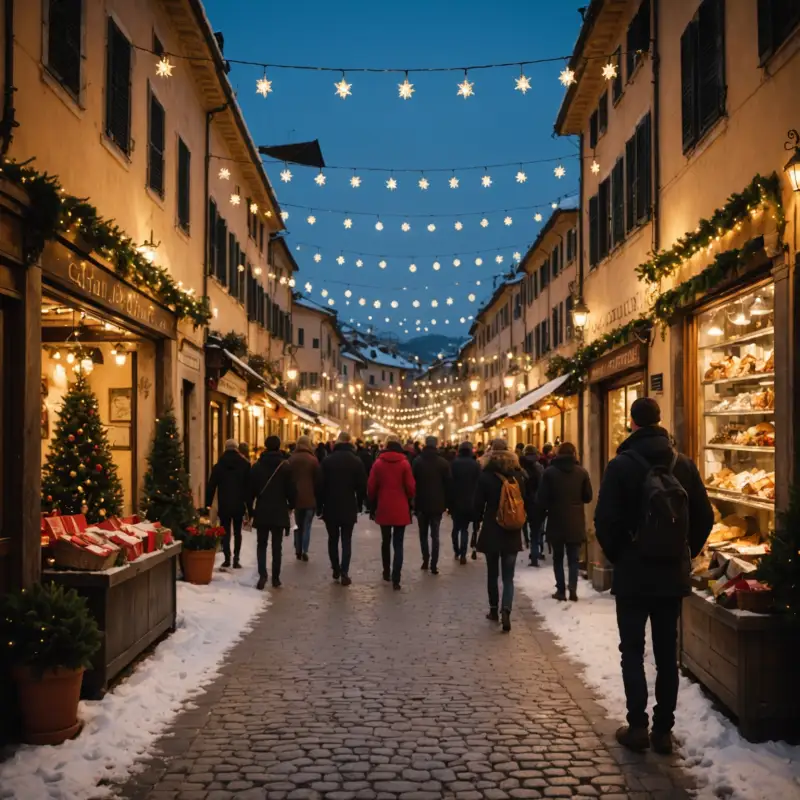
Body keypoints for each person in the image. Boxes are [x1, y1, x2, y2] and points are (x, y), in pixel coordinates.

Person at [595, 397, 713, 755]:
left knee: (632, 651)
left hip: (633, 574)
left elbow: (604, 520)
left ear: (632, 423)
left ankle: (637, 727)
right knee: (666, 654)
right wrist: (683, 553)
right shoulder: (683, 464)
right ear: (659, 421)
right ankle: (663, 731)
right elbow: (705, 517)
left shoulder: (620, 465)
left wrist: (621, 555)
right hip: (670, 575)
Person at [474, 438, 526, 632]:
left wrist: (477, 520)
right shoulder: (518, 476)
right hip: (512, 530)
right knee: (508, 576)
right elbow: (526, 500)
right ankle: (507, 609)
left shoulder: (485, 476)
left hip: (492, 529)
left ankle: (494, 609)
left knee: (492, 573)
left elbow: (478, 505)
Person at [535, 442, 592, 600]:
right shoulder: (582, 472)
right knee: (573, 558)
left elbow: (541, 498)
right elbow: (588, 496)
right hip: (576, 521)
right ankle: (572, 589)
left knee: (558, 558)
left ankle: (561, 590)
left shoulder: (549, 473)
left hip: (556, 520)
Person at [317, 431, 368, 586]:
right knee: (347, 540)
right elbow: (362, 485)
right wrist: (360, 503)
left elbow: (320, 486)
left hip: (331, 505)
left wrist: (320, 506)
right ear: (350, 442)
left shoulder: (327, 461)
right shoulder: (356, 461)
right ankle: (344, 571)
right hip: (348, 505)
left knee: (333, 539)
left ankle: (335, 568)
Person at [367, 434, 416, 590]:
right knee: (398, 543)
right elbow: (411, 487)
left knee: (385, 541)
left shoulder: (378, 463)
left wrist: (372, 502)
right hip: (400, 507)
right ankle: (396, 577)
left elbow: (371, 487)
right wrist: (409, 498)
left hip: (384, 506)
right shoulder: (404, 464)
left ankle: (386, 571)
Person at [248, 435, 296, 590]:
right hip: (279, 510)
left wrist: (250, 510)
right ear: (278, 446)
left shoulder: (257, 467)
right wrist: (291, 506)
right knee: (277, 546)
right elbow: (292, 490)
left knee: (261, 544)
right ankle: (276, 578)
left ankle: (262, 575)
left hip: (262, 509)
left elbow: (250, 491)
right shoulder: (285, 467)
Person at [205, 439, 250, 569]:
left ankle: (227, 558)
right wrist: (249, 506)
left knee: (225, 531)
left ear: (225, 448)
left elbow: (211, 485)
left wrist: (208, 503)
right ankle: (236, 559)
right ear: (237, 448)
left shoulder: (219, 465)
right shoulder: (245, 464)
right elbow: (248, 487)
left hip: (224, 502)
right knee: (237, 532)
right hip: (239, 503)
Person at [412, 435, 452, 575]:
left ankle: (425, 559)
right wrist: (447, 503)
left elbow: (412, 483)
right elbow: (448, 485)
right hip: (437, 504)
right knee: (435, 535)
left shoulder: (417, 461)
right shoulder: (443, 463)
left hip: (421, 503)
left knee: (423, 534)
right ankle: (434, 564)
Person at [288, 435, 321, 561]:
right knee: (307, 526)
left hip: (296, 498)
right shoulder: (313, 460)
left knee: (298, 526)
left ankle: (297, 549)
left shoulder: (291, 459)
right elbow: (318, 481)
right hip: (310, 499)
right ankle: (304, 550)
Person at [450, 441, 482, 564]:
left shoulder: (454, 464)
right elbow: (479, 483)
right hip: (470, 501)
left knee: (455, 528)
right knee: (464, 529)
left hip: (456, 501)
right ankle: (463, 554)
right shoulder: (475, 465)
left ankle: (456, 550)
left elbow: (450, 482)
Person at [519, 444, 545, 566]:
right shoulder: (539, 468)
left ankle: (527, 542)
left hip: (524, 502)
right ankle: (536, 553)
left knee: (525, 526)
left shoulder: (521, 468)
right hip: (537, 502)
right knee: (536, 531)